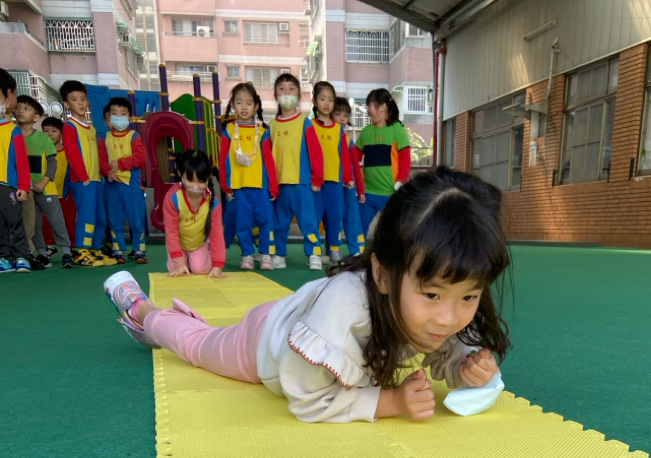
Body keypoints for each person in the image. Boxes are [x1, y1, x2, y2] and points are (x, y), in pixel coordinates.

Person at [104, 166, 511, 425]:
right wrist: (391, 402)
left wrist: (469, 369)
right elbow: (307, 400)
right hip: (263, 343)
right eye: (433, 294)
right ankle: (144, 311)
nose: (449, 318)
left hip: (298, 315)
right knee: (198, 344)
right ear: (383, 273)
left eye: (469, 297)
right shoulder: (342, 312)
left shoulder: (433, 308)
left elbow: (446, 348)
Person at [220, 82, 278, 271]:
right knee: (242, 222)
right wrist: (225, 184)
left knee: (265, 220)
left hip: (261, 186)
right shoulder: (228, 131)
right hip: (239, 186)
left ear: (256, 106)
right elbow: (222, 159)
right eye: (239, 102)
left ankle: (265, 254)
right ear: (232, 105)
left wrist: (273, 186)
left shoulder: (262, 132)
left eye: (248, 103)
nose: (244, 107)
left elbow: (269, 161)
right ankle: (247, 254)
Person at [268, 72, 324, 270]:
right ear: (275, 95)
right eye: (282, 89)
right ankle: (279, 254)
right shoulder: (272, 126)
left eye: (291, 89)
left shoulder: (304, 122)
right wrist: (269, 184)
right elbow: (267, 157)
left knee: (309, 221)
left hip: (302, 183)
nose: (286, 93)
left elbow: (316, 152)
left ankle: (314, 254)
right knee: (279, 223)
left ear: (299, 96)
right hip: (279, 186)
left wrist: (317, 178)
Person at [60, 79, 116, 267]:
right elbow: (72, 154)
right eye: (74, 99)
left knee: (100, 215)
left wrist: (104, 173)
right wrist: (83, 176)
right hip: (82, 181)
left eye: (83, 98)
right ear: (67, 104)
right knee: (87, 214)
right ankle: (81, 251)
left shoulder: (91, 129)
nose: (80, 103)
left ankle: (95, 249)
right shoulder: (70, 127)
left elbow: (99, 156)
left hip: (97, 180)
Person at [13, 95, 73, 269]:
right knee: (34, 223)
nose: (21, 111)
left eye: (26, 108)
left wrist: (43, 182)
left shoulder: (43, 138)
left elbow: (53, 163)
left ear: (36, 117)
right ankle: (42, 254)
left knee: (56, 221)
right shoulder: (13, 136)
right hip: (25, 190)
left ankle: (66, 253)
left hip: (46, 189)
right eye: (18, 108)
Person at [353, 88, 411, 237]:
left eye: (370, 105)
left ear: (383, 106)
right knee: (358, 229)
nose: (368, 110)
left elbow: (405, 158)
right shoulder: (366, 132)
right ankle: (359, 251)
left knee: (392, 233)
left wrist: (401, 180)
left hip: (390, 194)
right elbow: (353, 157)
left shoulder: (397, 129)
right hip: (367, 194)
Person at [311, 81, 355, 266]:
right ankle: (314, 251)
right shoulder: (309, 126)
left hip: (335, 182)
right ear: (315, 101)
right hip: (315, 183)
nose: (327, 103)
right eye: (322, 99)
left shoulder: (338, 129)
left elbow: (344, 156)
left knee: (335, 216)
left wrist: (348, 177)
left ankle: (334, 250)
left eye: (330, 99)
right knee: (314, 216)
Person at [98, 97, 147, 265]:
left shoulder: (134, 136)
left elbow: (140, 157)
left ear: (130, 118)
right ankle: (118, 250)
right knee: (114, 219)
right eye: (115, 114)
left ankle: (139, 250)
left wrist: (119, 164)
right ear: (108, 118)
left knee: (136, 219)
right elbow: (101, 160)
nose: (118, 117)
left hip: (132, 185)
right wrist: (107, 172)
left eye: (123, 114)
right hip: (112, 185)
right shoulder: (104, 138)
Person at [163, 149, 226, 278]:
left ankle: (204, 253)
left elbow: (217, 235)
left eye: (201, 181)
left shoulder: (214, 203)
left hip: (198, 243)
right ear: (180, 173)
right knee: (176, 269)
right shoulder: (173, 198)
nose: (195, 186)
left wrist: (217, 265)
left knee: (200, 269)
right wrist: (178, 262)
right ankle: (183, 259)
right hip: (178, 243)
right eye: (191, 180)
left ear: (208, 177)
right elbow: (171, 232)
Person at [0, 68, 31, 272]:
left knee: (14, 221)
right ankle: (4, 257)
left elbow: (22, 161)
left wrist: (23, 186)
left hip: (9, 185)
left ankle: (22, 256)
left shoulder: (13, 129)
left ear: (9, 95)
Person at [331, 96, 366, 258]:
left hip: (349, 187)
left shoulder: (349, 141)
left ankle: (357, 251)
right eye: (338, 114)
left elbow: (357, 168)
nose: (342, 118)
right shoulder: (326, 138)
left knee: (352, 218)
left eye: (346, 115)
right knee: (334, 218)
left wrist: (361, 190)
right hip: (332, 185)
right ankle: (333, 250)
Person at [41, 116, 76, 267]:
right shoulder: (42, 152)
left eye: (54, 131)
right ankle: (50, 246)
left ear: (61, 133)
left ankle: (71, 247)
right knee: (45, 222)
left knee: (68, 222)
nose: (50, 134)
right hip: (47, 193)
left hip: (65, 194)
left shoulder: (68, 152)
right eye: (46, 130)